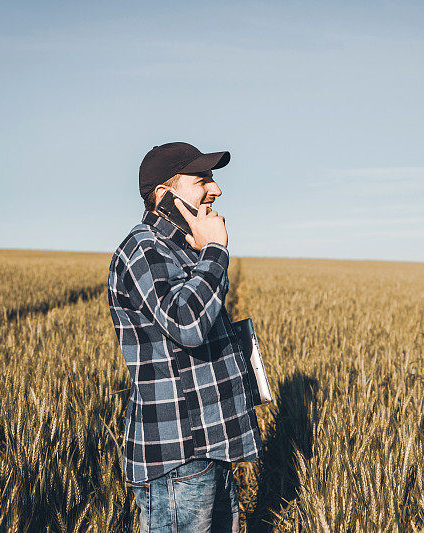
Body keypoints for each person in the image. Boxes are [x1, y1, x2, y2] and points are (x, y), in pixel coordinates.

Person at [107, 142, 263, 532]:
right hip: (182, 453)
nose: (217, 190)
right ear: (164, 196)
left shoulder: (183, 250)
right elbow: (187, 324)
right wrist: (215, 250)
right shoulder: (144, 247)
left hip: (211, 447)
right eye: (202, 181)